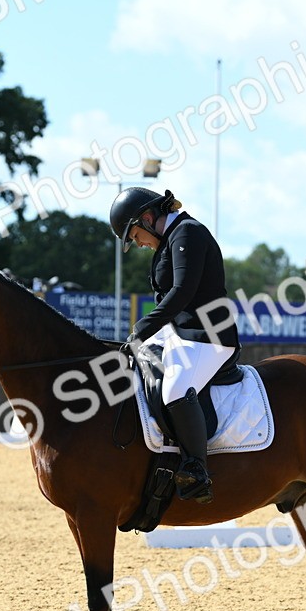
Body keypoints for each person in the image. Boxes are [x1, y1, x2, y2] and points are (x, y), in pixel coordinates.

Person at [109, 187, 240, 504]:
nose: (137, 243)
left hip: (208, 336)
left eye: (135, 235)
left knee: (175, 389)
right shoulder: (168, 242)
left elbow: (181, 292)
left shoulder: (188, 233)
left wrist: (142, 327)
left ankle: (197, 469)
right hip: (180, 334)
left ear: (148, 218)